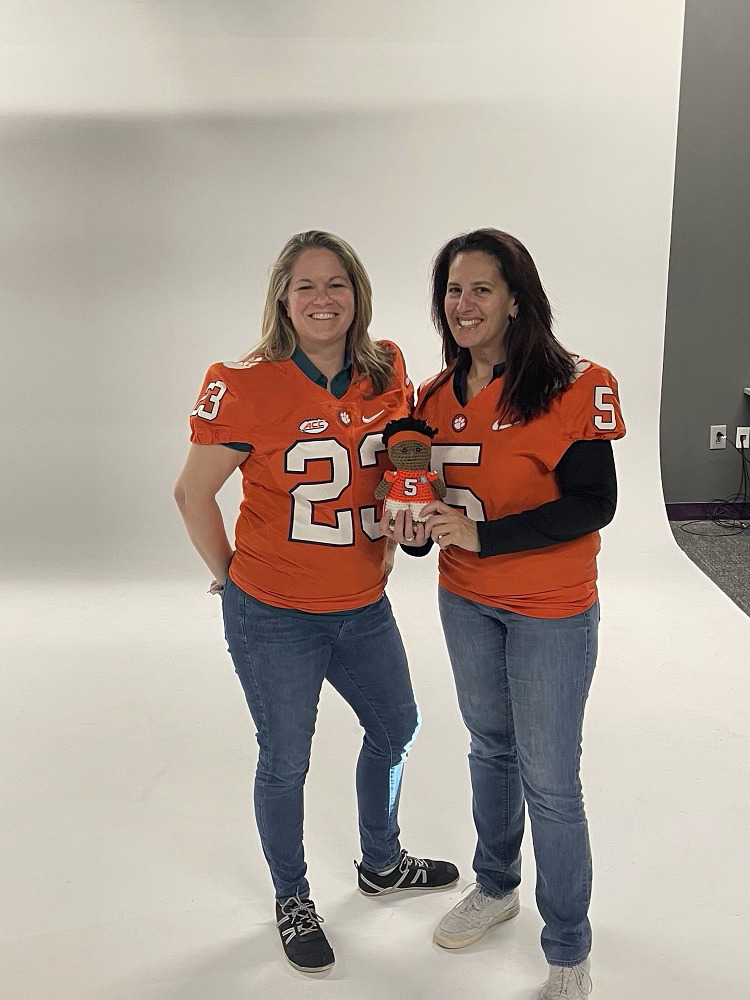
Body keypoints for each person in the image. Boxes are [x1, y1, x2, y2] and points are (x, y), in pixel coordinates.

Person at [174, 231, 458, 976]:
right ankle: (293, 896)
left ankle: (382, 862)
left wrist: (407, 528)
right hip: (273, 611)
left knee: (396, 726)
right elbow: (192, 492)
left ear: (358, 293)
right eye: (306, 286)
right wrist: (232, 574)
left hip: (363, 603)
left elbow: (400, 465)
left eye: (337, 283)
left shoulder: (388, 364)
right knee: (286, 760)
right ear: (282, 297)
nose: (323, 298)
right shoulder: (242, 381)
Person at [382, 229, 625, 999]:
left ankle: (567, 949)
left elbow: (596, 503)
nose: (465, 303)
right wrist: (413, 531)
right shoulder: (427, 398)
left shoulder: (575, 383)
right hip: (467, 601)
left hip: (551, 605)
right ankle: (495, 883)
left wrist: (484, 534)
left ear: (517, 297)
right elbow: (430, 519)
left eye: (482, 288)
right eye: (454, 290)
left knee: (551, 778)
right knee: (490, 748)